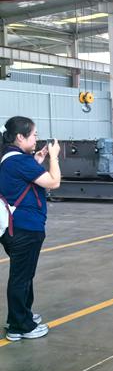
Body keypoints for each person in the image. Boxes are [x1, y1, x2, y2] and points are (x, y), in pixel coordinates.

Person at [0, 116, 61, 341]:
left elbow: (20, 179)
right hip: (24, 229)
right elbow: (54, 182)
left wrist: (37, 160)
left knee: (24, 274)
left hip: (16, 228)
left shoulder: (10, 159)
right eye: (34, 135)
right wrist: (54, 157)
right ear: (20, 136)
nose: (36, 139)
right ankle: (19, 326)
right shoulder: (19, 161)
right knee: (21, 277)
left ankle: (21, 315)